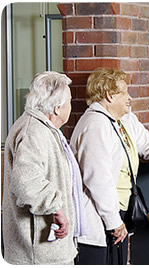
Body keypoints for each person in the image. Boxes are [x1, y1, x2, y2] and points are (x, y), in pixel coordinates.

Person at [70, 68, 149, 265]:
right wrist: (114, 222)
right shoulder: (95, 124)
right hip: (101, 215)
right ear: (109, 96)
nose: (129, 98)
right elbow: (97, 180)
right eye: (125, 92)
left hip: (119, 211)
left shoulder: (123, 119)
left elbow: (145, 140)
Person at [2, 71, 87, 264]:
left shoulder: (43, 129)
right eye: (70, 101)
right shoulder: (33, 132)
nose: (71, 106)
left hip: (47, 251)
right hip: (37, 256)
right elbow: (26, 184)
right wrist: (57, 208)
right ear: (57, 108)